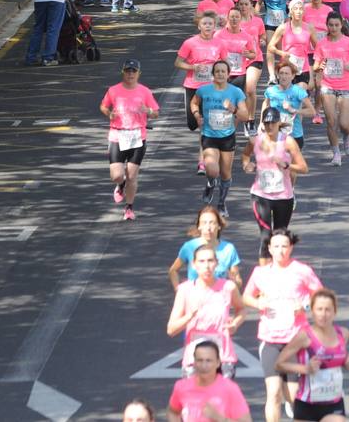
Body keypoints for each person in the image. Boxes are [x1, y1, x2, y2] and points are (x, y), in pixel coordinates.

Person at [241, 229, 323, 422]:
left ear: (291, 247)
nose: (280, 250)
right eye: (276, 246)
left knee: (294, 396)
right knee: (273, 393)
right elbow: (246, 296)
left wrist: (303, 306)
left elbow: (320, 295)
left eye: (284, 246)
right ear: (269, 248)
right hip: (270, 340)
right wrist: (258, 303)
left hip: (295, 341)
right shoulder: (260, 273)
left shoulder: (302, 271)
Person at [276, 288, 349, 422]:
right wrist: (305, 369)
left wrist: (347, 363)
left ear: (334, 312)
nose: (323, 314)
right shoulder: (304, 337)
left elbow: (335, 361)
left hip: (334, 402)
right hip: (307, 404)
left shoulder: (343, 334)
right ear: (312, 312)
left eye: (327, 310)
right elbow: (279, 364)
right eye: (319, 309)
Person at [167, 244, 246, 378]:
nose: (207, 266)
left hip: (223, 358)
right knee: (195, 399)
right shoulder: (185, 290)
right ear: (194, 264)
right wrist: (189, 316)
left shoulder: (228, 287)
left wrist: (235, 324)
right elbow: (171, 330)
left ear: (217, 263)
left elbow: (241, 310)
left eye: (210, 261)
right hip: (194, 360)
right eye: (202, 261)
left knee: (221, 399)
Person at [101, 60, 159, 221]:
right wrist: (109, 114)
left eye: (134, 71)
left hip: (137, 137)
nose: (130, 74)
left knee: (132, 176)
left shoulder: (145, 91)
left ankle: (129, 208)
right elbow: (104, 106)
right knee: (117, 175)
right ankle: (120, 185)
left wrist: (148, 111)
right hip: (117, 136)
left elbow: (156, 113)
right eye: (128, 71)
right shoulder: (113, 91)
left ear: (139, 73)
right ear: (123, 72)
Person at [192, 62, 250, 217]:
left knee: (225, 174)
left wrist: (234, 109)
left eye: (223, 71)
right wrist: (197, 115)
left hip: (227, 137)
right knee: (212, 169)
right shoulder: (203, 90)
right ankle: (211, 182)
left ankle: (221, 202)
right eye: (217, 71)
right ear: (213, 74)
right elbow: (194, 103)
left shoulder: (236, 92)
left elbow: (245, 116)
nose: (220, 74)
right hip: (209, 136)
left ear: (228, 74)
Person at [241, 110, 307, 235]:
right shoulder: (256, 140)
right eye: (266, 123)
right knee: (265, 237)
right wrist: (246, 165)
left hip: (284, 196)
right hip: (260, 196)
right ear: (263, 124)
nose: (270, 126)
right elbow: (245, 154)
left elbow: (303, 168)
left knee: (280, 237)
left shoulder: (288, 142)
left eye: (273, 122)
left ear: (278, 123)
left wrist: (286, 165)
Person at [313, 13, 349, 167]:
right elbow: (316, 66)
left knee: (344, 124)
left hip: (346, 86)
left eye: (336, 25)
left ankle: (348, 135)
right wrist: (320, 66)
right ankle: (336, 152)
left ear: (341, 25)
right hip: (327, 85)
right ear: (327, 26)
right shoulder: (322, 44)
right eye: (331, 25)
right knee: (330, 121)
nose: (334, 28)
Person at [166, 341, 252, 422]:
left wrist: (219, 418)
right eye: (200, 360)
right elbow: (172, 412)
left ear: (218, 363)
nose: (204, 365)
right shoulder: (182, 386)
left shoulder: (230, 388)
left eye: (208, 361)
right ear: (194, 363)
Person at [169, 206, 243, 291]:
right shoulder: (189, 247)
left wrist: (235, 282)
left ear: (219, 226)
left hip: (219, 299)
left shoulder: (229, 249)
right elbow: (173, 270)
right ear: (199, 226)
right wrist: (177, 289)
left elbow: (238, 281)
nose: (208, 228)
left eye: (212, 223)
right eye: (204, 223)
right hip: (195, 300)